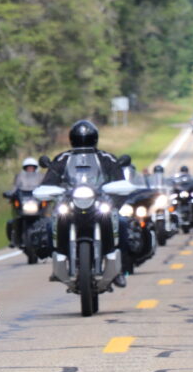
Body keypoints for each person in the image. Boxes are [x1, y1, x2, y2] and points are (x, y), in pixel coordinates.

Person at [41, 119, 129, 287]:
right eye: (80, 138)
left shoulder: (106, 158)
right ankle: (57, 265)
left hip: (99, 204)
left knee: (123, 224)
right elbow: (48, 182)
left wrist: (114, 204)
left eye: (87, 138)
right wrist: (51, 193)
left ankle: (120, 270)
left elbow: (120, 183)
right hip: (71, 204)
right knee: (48, 226)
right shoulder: (62, 158)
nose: (83, 141)